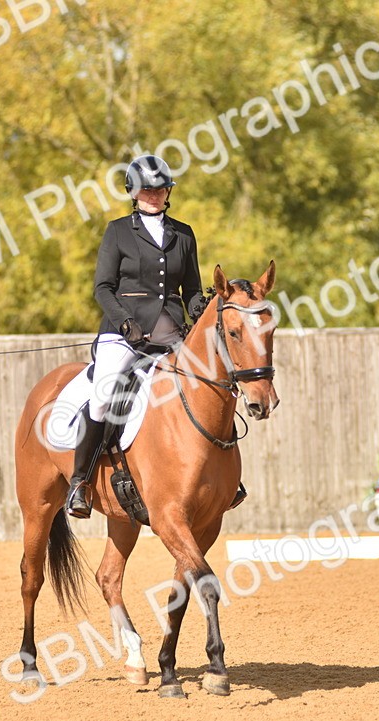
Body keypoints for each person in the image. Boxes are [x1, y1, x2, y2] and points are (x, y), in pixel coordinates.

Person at [66, 154, 221, 519]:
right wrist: (124, 322)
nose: (154, 195)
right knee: (103, 395)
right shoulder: (118, 231)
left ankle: (224, 479)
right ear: (134, 193)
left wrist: (201, 308)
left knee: (210, 384)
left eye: (160, 190)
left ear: (168, 193)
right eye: (147, 190)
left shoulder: (183, 234)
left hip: (170, 333)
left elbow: (191, 290)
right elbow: (103, 288)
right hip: (124, 333)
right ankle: (80, 482)